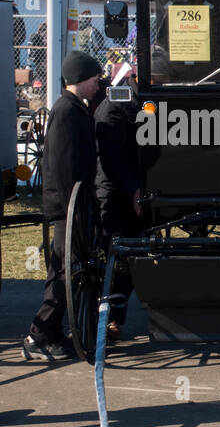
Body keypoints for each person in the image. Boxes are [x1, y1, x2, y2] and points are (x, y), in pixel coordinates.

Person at [24, 50, 102, 360]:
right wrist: (76, 209)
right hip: (67, 208)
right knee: (63, 273)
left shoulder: (73, 108)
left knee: (66, 271)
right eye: (95, 79)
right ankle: (38, 333)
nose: (98, 85)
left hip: (71, 206)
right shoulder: (66, 112)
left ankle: (52, 333)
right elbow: (64, 165)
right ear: (82, 79)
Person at [93, 61, 143, 340]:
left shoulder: (144, 101)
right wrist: (133, 189)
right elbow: (112, 158)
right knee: (118, 252)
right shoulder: (115, 104)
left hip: (135, 186)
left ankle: (115, 313)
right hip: (114, 190)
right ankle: (109, 317)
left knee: (131, 253)